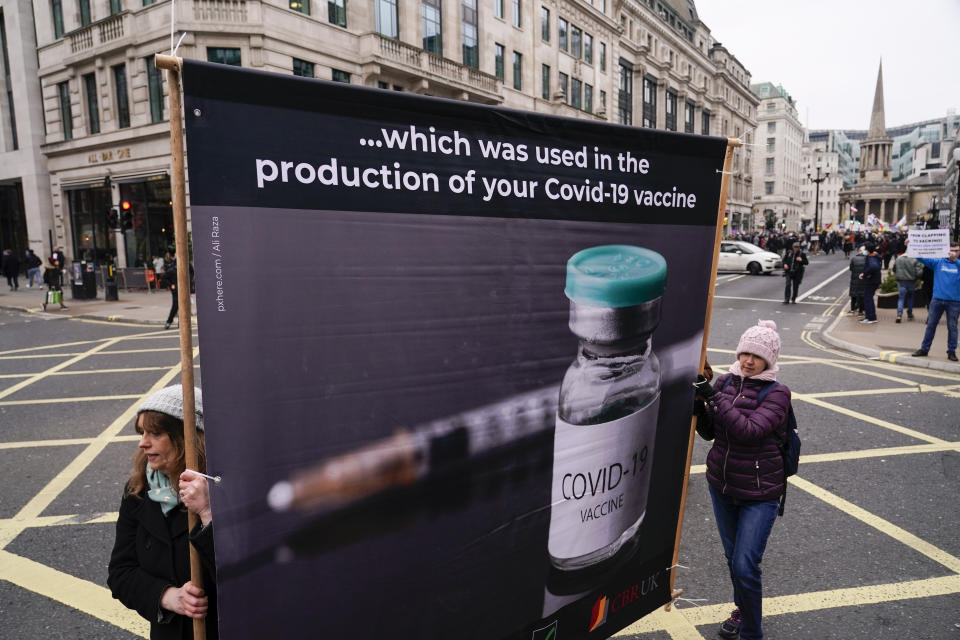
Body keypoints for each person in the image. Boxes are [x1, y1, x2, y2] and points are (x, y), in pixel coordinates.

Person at [693, 320, 791, 640]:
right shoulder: (724, 382)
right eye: (745, 352)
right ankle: (741, 608)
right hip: (721, 485)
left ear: (770, 360)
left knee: (745, 565)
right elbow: (711, 432)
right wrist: (699, 404)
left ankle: (751, 633)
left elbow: (748, 432)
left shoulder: (778, 394)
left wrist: (713, 398)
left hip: (760, 493)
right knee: (733, 559)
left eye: (757, 356)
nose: (748, 361)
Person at [108, 385, 219, 640]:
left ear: (186, 438)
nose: (142, 443)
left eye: (155, 433)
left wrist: (206, 512)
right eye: (142, 432)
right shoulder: (138, 491)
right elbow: (120, 573)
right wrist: (168, 597)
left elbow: (242, 579)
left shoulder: (220, 490)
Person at [912, 242, 960, 362]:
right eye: (951, 250)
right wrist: (910, 245)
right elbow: (919, 257)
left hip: (954, 302)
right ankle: (924, 349)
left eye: (956, 250)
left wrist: (956, 261)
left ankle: (951, 351)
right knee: (931, 325)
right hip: (937, 299)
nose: (953, 253)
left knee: (952, 327)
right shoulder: (938, 262)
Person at [891, 242, 923, 323]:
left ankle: (899, 314)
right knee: (910, 297)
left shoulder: (899, 259)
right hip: (911, 281)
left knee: (901, 298)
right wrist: (917, 277)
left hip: (901, 281)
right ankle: (909, 314)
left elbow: (894, 269)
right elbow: (919, 272)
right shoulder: (915, 259)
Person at [858, 242, 882, 324]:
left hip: (871, 281)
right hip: (874, 280)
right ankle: (868, 317)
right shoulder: (874, 256)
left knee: (868, 299)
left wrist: (865, 274)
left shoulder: (871, 258)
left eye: (865, 249)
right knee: (868, 298)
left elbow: (873, 267)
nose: (863, 251)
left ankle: (871, 318)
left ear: (868, 250)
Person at [848, 246, 867, 316]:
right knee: (862, 295)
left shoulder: (853, 259)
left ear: (858, 251)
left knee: (853, 295)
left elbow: (851, 268)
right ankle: (861, 311)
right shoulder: (866, 259)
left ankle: (852, 309)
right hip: (863, 279)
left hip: (854, 279)